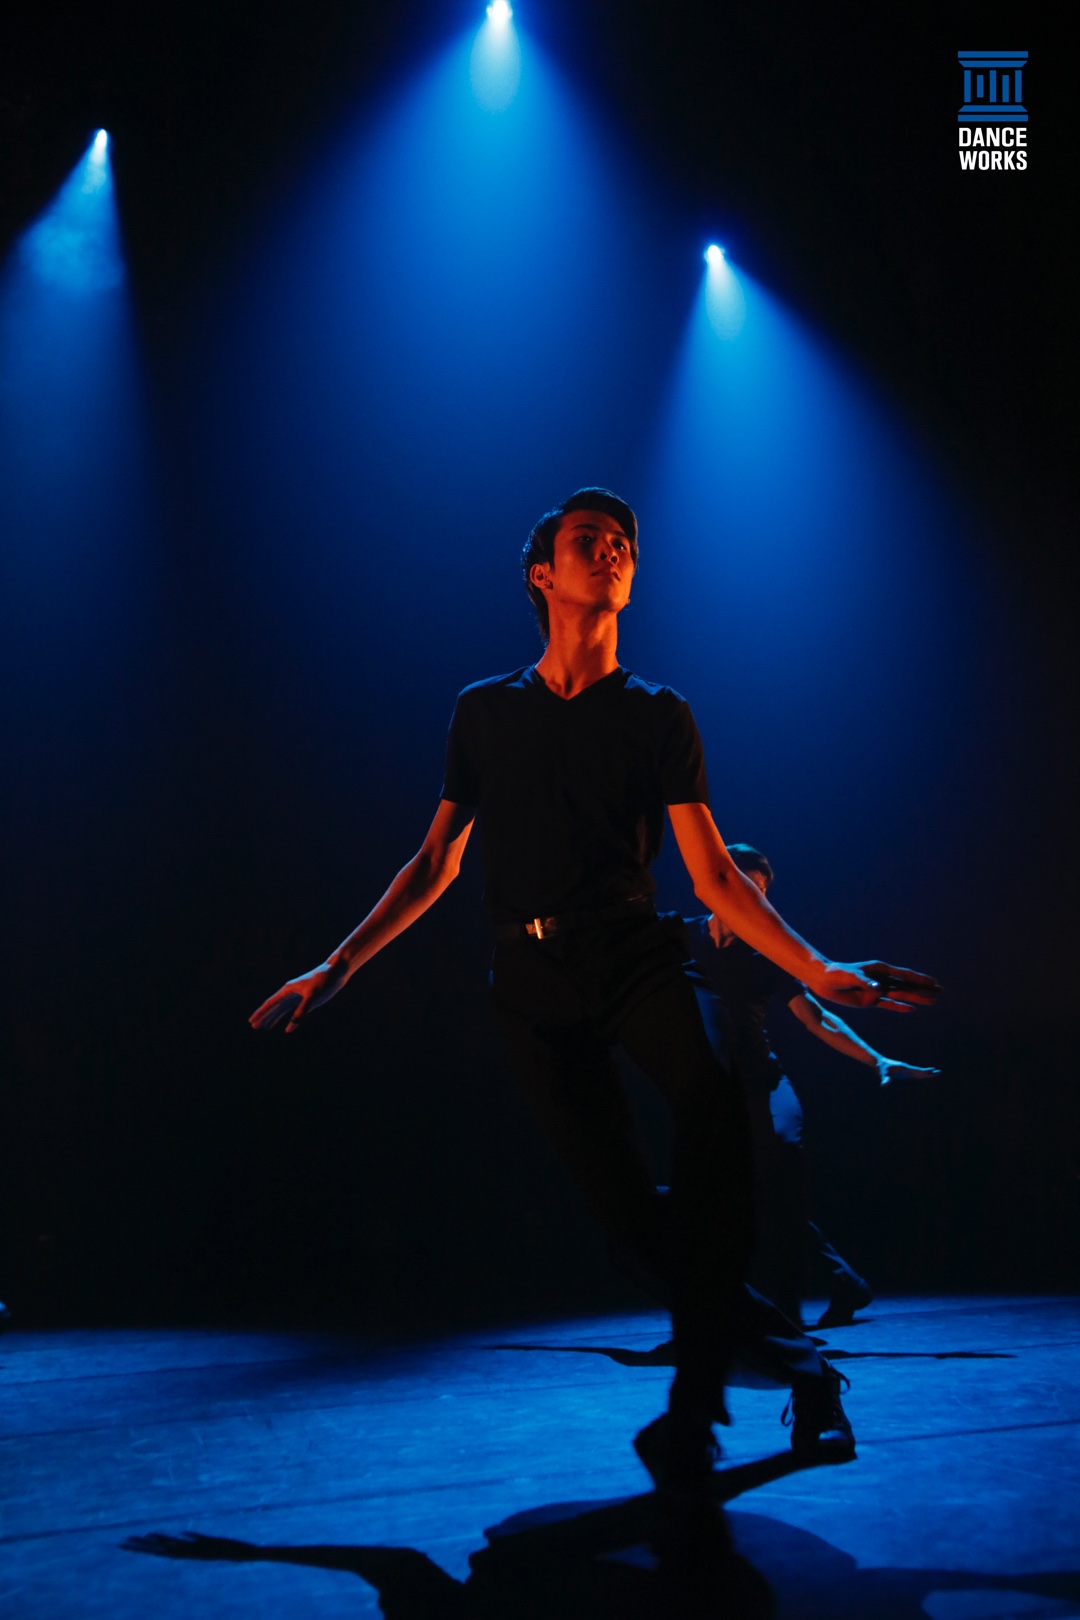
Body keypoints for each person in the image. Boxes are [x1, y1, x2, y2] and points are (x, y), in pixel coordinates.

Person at [250, 488, 939, 1575]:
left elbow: (713, 876)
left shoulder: (658, 714)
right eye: (589, 541)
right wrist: (338, 966)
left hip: (634, 955)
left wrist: (818, 969)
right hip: (530, 979)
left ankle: (693, 1414)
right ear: (543, 574)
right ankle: (802, 1365)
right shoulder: (485, 712)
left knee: (714, 1106)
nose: (613, 551)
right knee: (631, 1225)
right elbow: (433, 865)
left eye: (624, 544)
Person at [684, 843, 939, 1328]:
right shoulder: (682, 938)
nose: (753, 901)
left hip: (764, 1083)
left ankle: (798, 1308)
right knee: (742, 1199)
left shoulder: (768, 953)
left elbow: (815, 1017)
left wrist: (877, 1059)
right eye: (744, 888)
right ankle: (842, 1283)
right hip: (713, 1091)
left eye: (761, 893)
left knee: (779, 1164)